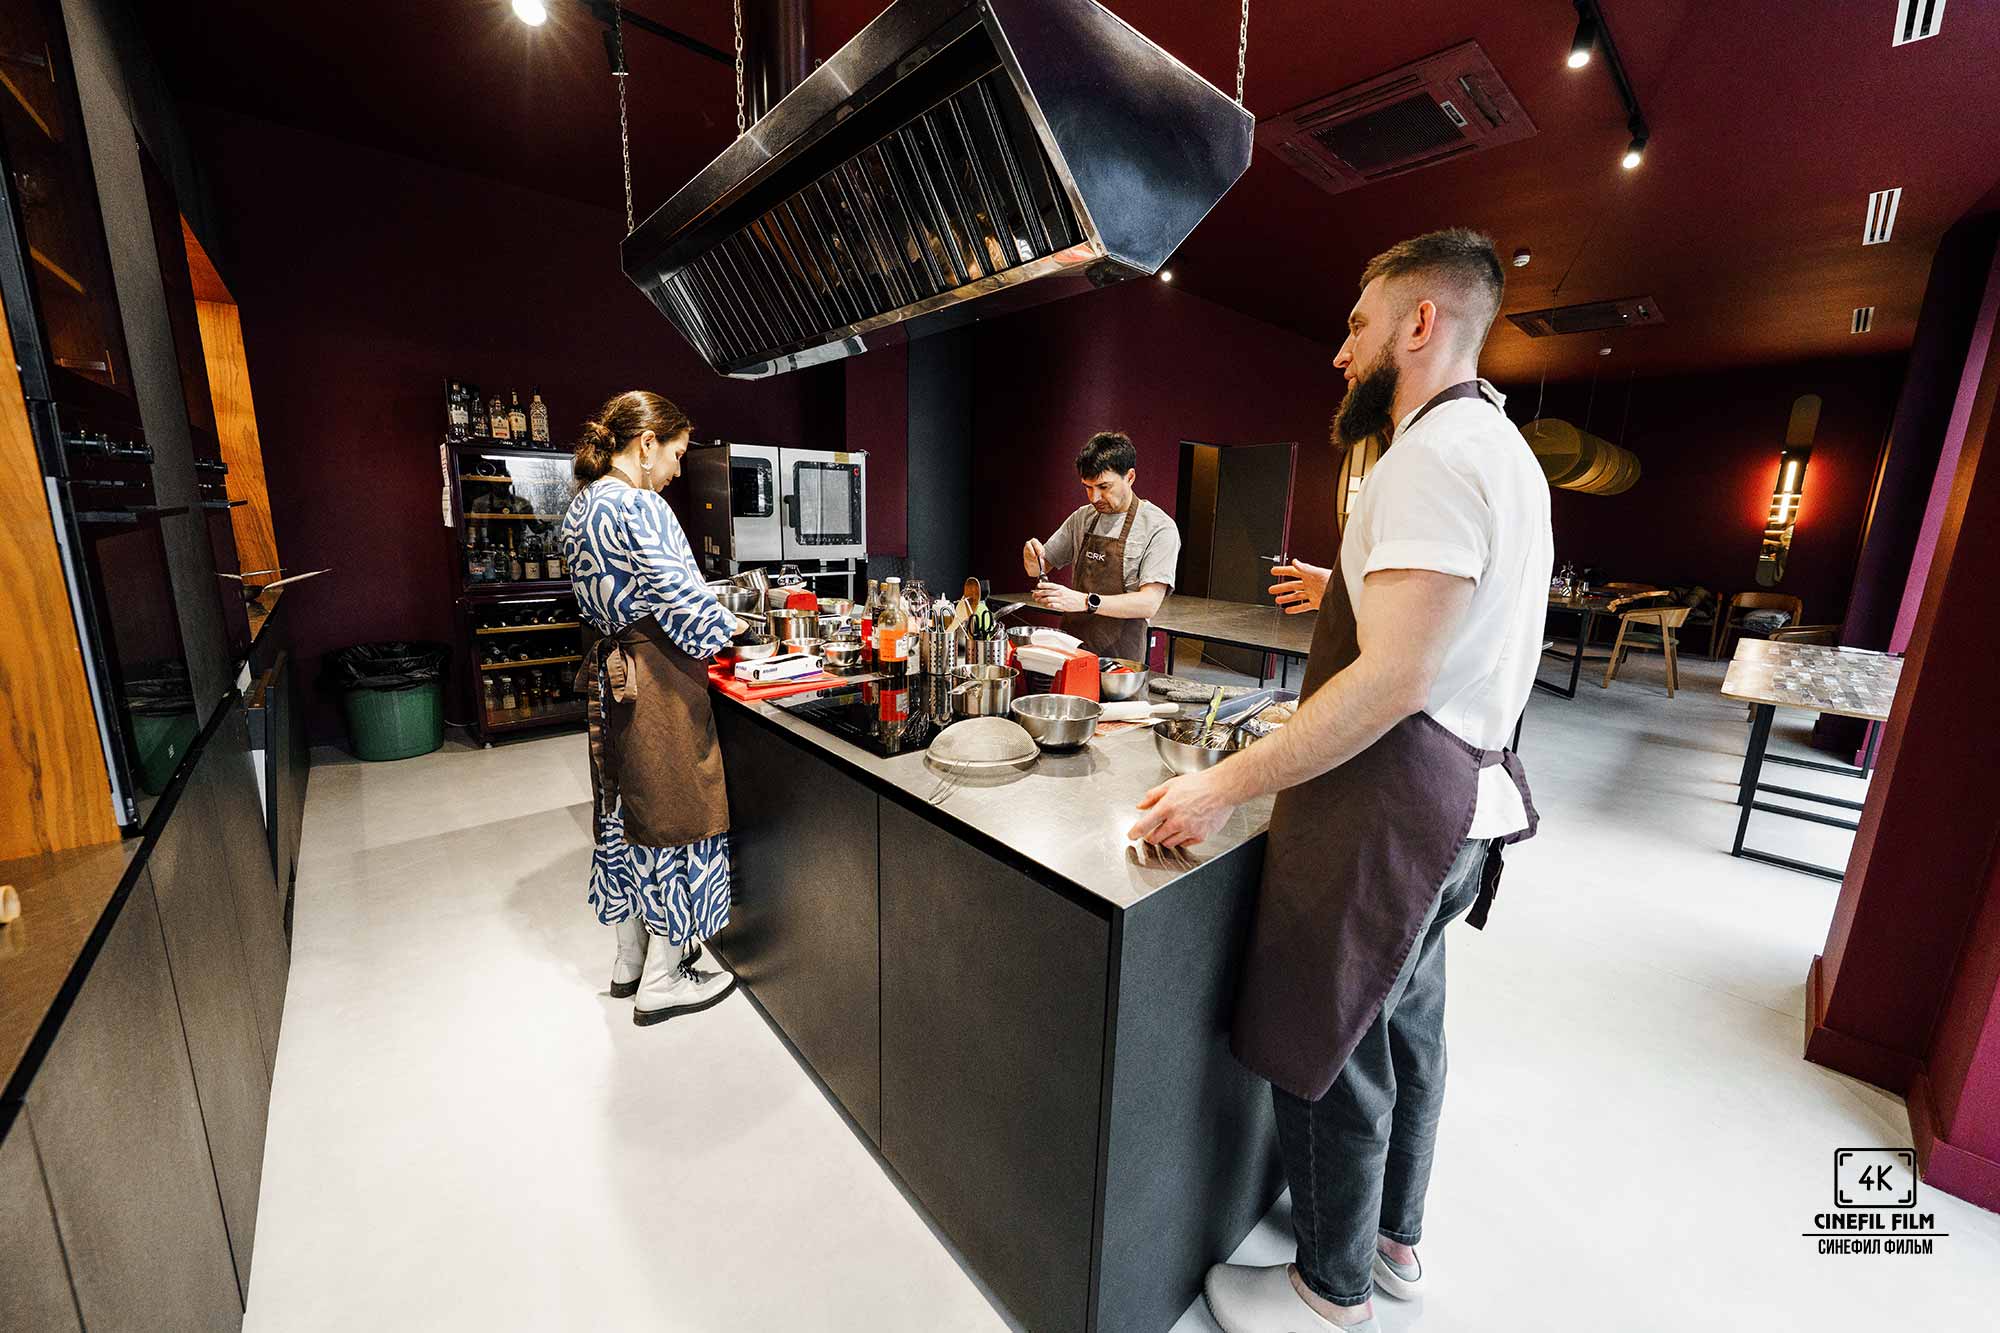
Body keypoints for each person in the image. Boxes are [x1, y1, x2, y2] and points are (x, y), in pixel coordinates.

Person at [1127, 230, 1552, 1333]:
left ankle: (1330, 1288)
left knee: (1332, 1038)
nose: (1340, 351)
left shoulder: (1428, 459)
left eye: (1357, 326)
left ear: (1420, 323)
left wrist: (1224, 783)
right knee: (1408, 1028)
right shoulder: (1500, 449)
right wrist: (1349, 585)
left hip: (1396, 810)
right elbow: (1459, 619)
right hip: (1468, 808)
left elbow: (1396, 679)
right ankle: (1394, 1238)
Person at [562, 390, 742, 1026]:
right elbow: (685, 605)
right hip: (659, 677)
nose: (677, 470)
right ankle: (666, 980)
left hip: (614, 677)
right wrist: (737, 628)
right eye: (677, 454)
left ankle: (629, 959)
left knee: (625, 809)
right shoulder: (642, 506)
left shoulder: (583, 506)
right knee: (678, 813)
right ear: (645, 445)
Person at [1021, 431, 1181, 659]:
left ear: (1130, 477)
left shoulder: (1159, 527)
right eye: (1088, 487)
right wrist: (1031, 557)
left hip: (1120, 659)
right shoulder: (1082, 518)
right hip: (1073, 650)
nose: (1094, 497)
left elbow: (1149, 603)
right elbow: (1038, 569)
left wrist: (1086, 602)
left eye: (1104, 487)